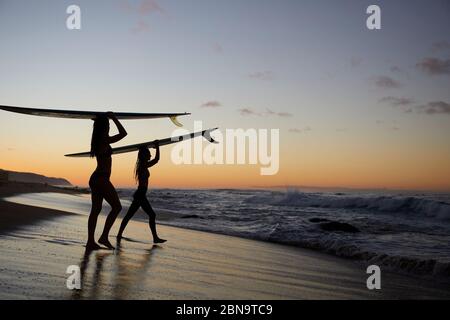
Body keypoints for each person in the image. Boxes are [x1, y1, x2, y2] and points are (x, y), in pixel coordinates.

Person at [86, 112, 127, 251]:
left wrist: (102, 120)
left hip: (96, 178)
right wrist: (114, 118)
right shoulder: (103, 139)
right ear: (104, 127)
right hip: (101, 178)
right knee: (117, 207)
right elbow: (123, 133)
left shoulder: (97, 139)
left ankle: (90, 241)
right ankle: (103, 236)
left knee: (96, 210)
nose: (109, 126)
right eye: (108, 125)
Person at [117, 142, 166, 244]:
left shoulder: (142, 165)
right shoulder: (143, 165)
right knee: (151, 215)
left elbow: (153, 159)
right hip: (140, 194)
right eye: (148, 153)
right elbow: (156, 160)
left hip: (140, 194)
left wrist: (148, 148)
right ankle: (155, 238)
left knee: (130, 215)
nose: (150, 155)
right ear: (144, 155)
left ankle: (119, 234)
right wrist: (157, 147)